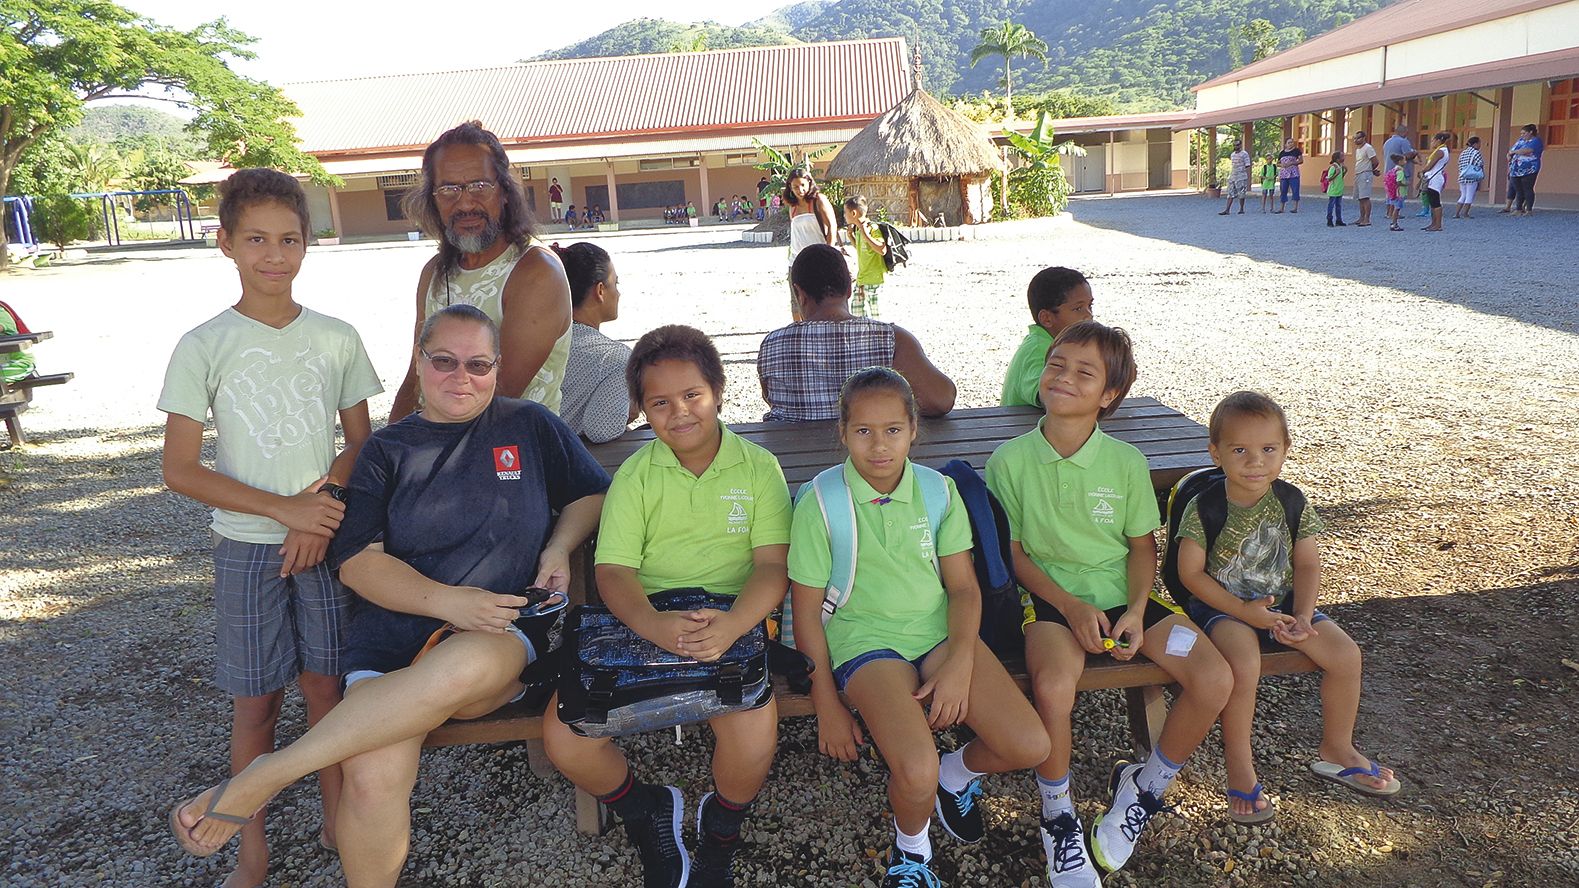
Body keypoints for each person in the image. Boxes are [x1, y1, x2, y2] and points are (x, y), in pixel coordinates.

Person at [168, 304, 610, 887]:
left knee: (467, 662)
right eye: (444, 361)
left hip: (500, 632)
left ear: (498, 368)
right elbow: (356, 565)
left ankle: (267, 774)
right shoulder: (384, 451)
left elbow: (590, 493)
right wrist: (446, 600)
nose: (462, 377)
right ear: (419, 362)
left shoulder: (528, 424)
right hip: (395, 639)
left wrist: (557, 547)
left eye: (479, 364)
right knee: (373, 775)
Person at [158, 168, 382, 888]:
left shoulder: (336, 338)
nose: (274, 255)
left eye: (289, 239)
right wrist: (285, 511)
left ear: (308, 245)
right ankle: (249, 851)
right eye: (256, 239)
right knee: (256, 704)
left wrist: (321, 511)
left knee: (327, 693)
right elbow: (181, 470)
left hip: (325, 544)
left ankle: (338, 823)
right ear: (225, 243)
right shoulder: (203, 344)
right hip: (247, 550)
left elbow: (361, 443)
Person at [543, 324, 789, 888]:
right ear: (641, 410)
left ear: (719, 391)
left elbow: (772, 567)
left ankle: (720, 831)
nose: (679, 413)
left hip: (732, 620)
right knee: (565, 738)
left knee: (753, 738)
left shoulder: (758, 468)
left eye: (692, 396)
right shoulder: (635, 475)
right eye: (659, 402)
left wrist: (732, 625)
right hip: (647, 623)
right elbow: (613, 571)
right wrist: (653, 623)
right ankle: (646, 808)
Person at [985, 321, 1231, 884]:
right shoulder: (1009, 461)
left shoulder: (1125, 462)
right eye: (1056, 364)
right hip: (1049, 605)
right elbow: (1016, 557)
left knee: (1215, 678)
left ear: (1110, 394)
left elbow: (1142, 548)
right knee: (1052, 686)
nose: (1063, 377)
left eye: (1084, 372)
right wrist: (1071, 607)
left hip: (1129, 601)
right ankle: (1058, 815)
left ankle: (1144, 790)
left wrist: (1139, 611)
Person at [789, 368, 1049, 888]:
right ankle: (912, 854)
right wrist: (827, 705)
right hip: (862, 641)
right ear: (842, 432)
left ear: (913, 429)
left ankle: (957, 776)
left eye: (892, 430)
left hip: (937, 634)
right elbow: (804, 609)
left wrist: (959, 662)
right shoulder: (821, 500)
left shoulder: (939, 492)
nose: (879, 445)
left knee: (1029, 745)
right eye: (863, 431)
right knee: (914, 768)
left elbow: (964, 589)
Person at [1174, 391, 1402, 824]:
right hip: (1222, 608)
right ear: (1215, 453)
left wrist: (1302, 615)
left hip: (1283, 607)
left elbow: (1307, 562)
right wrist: (1244, 612)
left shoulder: (1292, 500)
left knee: (1345, 655)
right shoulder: (1205, 505)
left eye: (1267, 449)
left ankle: (1337, 748)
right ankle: (1240, 766)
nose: (1254, 461)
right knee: (1244, 662)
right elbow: (1191, 576)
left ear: (1285, 450)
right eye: (1239, 450)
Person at [389, 121, 573, 423]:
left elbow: (494, 396)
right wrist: (386, 453)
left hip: (513, 454)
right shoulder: (434, 273)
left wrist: (418, 453)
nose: (464, 203)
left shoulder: (536, 272)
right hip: (435, 444)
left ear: (504, 192)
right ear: (433, 200)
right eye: (448, 189)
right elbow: (415, 379)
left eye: (479, 186)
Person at [758, 244, 955, 422]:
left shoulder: (772, 344)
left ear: (799, 294)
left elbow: (771, 399)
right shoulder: (891, 338)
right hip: (870, 457)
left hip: (791, 458)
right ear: (849, 288)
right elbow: (941, 400)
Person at [553, 242, 635, 444]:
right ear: (600, 290)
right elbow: (602, 430)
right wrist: (629, 410)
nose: (618, 293)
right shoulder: (615, 359)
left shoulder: (535, 339)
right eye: (615, 284)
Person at [1000, 266, 1093, 409]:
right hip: (1022, 430)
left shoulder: (1059, 345)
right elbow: (1048, 394)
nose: (1089, 315)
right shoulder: (1037, 349)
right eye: (1078, 308)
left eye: (1090, 306)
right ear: (1047, 319)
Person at [782, 168, 838, 320]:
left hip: (818, 259)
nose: (799, 190)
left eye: (802, 185)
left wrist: (828, 253)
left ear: (809, 183)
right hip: (796, 260)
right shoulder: (792, 207)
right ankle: (799, 330)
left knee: (820, 298)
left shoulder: (819, 201)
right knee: (797, 300)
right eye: (795, 187)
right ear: (790, 188)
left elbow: (832, 227)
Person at [843, 195, 887, 318]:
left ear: (853, 213)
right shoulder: (858, 229)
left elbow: (882, 249)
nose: (844, 216)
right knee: (857, 313)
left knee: (877, 316)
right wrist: (851, 236)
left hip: (874, 281)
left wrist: (865, 233)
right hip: (861, 280)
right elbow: (863, 249)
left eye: (845, 213)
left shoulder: (871, 228)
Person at [1508, 123, 1545, 216]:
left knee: (1527, 188)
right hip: (1516, 169)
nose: (1522, 135)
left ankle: (1529, 210)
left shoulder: (1536, 141)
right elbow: (1511, 150)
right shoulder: (1520, 141)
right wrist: (1509, 154)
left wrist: (1514, 152)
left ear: (1530, 132)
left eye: (1524, 133)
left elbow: (1527, 150)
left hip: (1529, 169)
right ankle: (1518, 209)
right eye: (1521, 133)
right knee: (1518, 189)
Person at [1381, 123, 1418, 217]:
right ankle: (1395, 214)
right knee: (1398, 193)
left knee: (1390, 192)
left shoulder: (1387, 142)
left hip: (1388, 171)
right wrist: (1415, 153)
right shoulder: (1403, 141)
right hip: (1400, 171)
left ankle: (1388, 213)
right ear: (1404, 132)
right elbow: (1408, 155)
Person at [1418, 132, 1451, 232]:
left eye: (1433, 140)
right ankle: (1433, 223)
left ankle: (1438, 225)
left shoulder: (1440, 151)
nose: (1432, 142)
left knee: (1436, 202)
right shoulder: (1441, 150)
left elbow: (1430, 165)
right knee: (1432, 202)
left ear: (1438, 140)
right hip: (1433, 177)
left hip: (1434, 178)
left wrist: (1422, 171)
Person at [1351, 131, 1379, 226]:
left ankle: (1367, 219)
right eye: (1354, 138)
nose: (1356, 140)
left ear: (1363, 138)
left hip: (1365, 174)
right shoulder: (1358, 149)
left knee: (1365, 197)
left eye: (1358, 138)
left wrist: (1371, 169)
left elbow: (1375, 161)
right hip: (1358, 173)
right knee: (1360, 197)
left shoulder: (1368, 148)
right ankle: (1361, 217)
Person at [1455, 135, 1485, 220]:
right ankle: (1465, 213)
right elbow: (1480, 164)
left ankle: (1456, 213)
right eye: (1479, 143)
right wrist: (1482, 174)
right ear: (1475, 144)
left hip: (1462, 176)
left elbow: (1459, 164)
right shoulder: (1476, 153)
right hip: (1472, 176)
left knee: (1463, 195)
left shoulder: (1463, 152)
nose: (1480, 145)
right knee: (1469, 195)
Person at [1219, 140, 1251, 215]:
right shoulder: (1232, 154)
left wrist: (1241, 169)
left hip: (1241, 176)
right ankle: (1227, 210)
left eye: (1237, 145)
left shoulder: (1244, 154)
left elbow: (1247, 164)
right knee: (1230, 192)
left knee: (1241, 193)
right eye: (1234, 145)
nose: (1235, 146)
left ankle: (1241, 209)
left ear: (1240, 145)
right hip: (1233, 175)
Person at [1274, 138, 1304, 213]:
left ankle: (1295, 208)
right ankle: (1281, 208)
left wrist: (1292, 163)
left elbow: (1301, 160)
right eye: (1289, 142)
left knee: (1295, 190)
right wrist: (1282, 165)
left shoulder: (1296, 151)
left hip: (1294, 174)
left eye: (1292, 142)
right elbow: (1278, 163)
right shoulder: (1282, 153)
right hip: (1284, 174)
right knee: (1283, 190)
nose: (1291, 144)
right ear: (1285, 144)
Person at [1324, 151, 1347, 227]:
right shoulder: (1333, 167)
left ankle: (1339, 220)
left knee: (1338, 205)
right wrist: (1336, 173)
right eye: (1342, 156)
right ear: (1337, 159)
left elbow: (1341, 177)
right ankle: (1329, 220)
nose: (1344, 158)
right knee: (1331, 205)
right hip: (1333, 190)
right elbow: (1329, 179)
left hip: (1339, 189)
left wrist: (1345, 171)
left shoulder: (1340, 166)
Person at [1384, 153, 1406, 232]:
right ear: (1400, 161)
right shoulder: (1400, 172)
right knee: (1397, 209)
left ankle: (1393, 223)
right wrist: (1406, 184)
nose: (1405, 162)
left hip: (1394, 192)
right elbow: (1398, 182)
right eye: (1404, 160)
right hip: (1399, 193)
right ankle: (1394, 223)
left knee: (1395, 208)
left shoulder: (1394, 170)